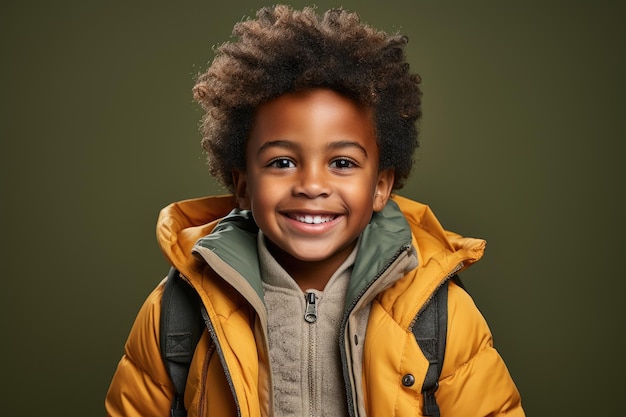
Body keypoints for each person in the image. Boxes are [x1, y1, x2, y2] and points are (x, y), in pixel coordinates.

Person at [105, 5, 524, 417]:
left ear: (381, 186)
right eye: (282, 162)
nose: (311, 186)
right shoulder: (177, 311)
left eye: (342, 163)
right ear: (243, 185)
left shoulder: (438, 313)